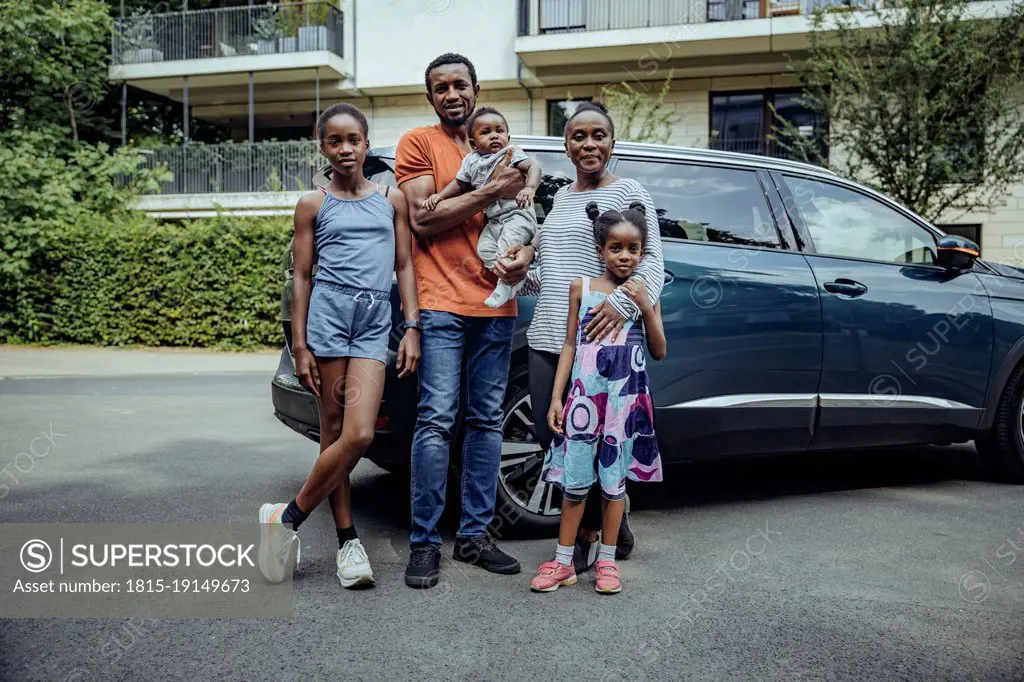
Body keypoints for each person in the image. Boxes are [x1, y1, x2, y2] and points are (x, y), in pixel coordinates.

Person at [257, 103, 421, 589]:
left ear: (366, 145)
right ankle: (349, 543)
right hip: (328, 320)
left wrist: (412, 326)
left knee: (360, 433)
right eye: (335, 141)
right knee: (333, 432)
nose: (345, 149)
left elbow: (406, 266)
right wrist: (301, 344)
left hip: (372, 322)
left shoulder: (391, 201)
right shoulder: (313, 204)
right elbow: (302, 276)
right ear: (323, 148)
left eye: (354, 140)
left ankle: (284, 519)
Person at [395, 53, 535, 589]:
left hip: (497, 305)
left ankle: (474, 537)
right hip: (441, 304)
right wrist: (488, 192)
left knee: (484, 423)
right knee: (435, 420)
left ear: (477, 89)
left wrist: (528, 250)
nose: (452, 94)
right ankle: (425, 543)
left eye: (460, 84)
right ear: (431, 96)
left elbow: (527, 213)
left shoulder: (501, 140)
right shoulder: (418, 143)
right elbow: (422, 220)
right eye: (441, 87)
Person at [516, 101, 665, 575]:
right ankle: (608, 528)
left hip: (603, 337)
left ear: (612, 143)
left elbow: (654, 264)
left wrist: (619, 306)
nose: (588, 144)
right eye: (578, 136)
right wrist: (520, 275)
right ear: (566, 145)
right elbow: (553, 272)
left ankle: (591, 538)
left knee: (604, 437)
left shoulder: (630, 191)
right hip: (551, 332)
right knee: (552, 433)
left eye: (598, 134)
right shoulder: (559, 199)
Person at [530, 201, 666, 594]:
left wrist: (645, 306)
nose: (625, 257)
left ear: (643, 252)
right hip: (585, 401)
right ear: (600, 250)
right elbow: (570, 345)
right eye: (616, 248)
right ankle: (562, 562)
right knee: (575, 482)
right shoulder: (582, 289)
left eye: (633, 249)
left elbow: (659, 350)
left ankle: (606, 562)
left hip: (624, 404)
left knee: (614, 485)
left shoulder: (645, 294)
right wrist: (558, 399)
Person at [421, 106, 542, 309]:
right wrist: (439, 196)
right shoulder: (470, 161)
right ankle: (512, 280)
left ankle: (504, 287)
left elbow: (533, 167)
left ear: (508, 136)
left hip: (517, 216)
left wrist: (530, 188)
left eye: (499, 131)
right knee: (485, 249)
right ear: (473, 143)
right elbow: (460, 183)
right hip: (494, 220)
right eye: (486, 132)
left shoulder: (511, 153)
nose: (494, 136)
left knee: (506, 246)